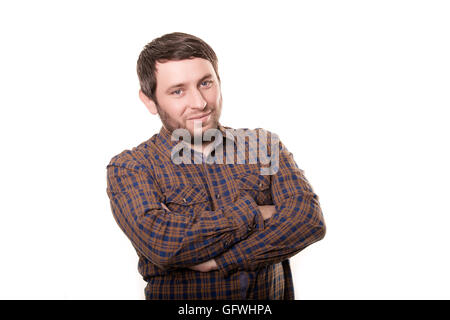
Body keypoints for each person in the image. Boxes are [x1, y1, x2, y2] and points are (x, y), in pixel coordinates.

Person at [106, 32, 326, 300]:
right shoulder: (131, 167)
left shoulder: (264, 145)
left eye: (206, 83)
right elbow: (165, 245)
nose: (199, 103)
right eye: (177, 91)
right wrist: (257, 212)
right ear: (149, 100)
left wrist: (221, 260)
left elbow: (309, 220)